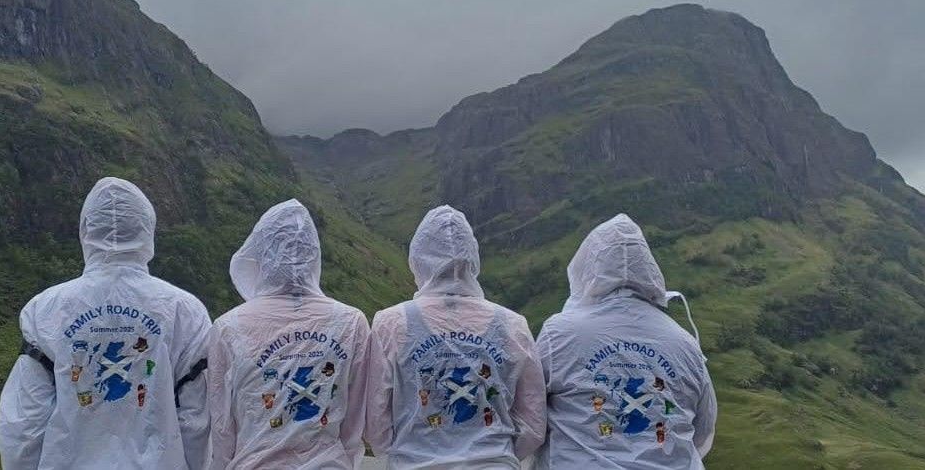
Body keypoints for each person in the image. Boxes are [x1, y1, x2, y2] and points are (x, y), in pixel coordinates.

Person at [0, 177, 211, 469]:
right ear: (147, 228)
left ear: (85, 230)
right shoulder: (184, 310)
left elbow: (24, 422)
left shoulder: (45, 310)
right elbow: (197, 420)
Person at [366, 205, 546, 469]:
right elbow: (534, 421)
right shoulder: (513, 324)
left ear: (417, 258)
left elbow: (375, 420)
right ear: (472, 258)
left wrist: (402, 454)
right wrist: (498, 455)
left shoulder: (391, 322)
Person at [534, 214, 716, 469]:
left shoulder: (559, 333)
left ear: (587, 267)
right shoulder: (684, 342)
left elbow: (530, 416)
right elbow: (703, 430)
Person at [208, 199, 371, 469]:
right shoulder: (351, 322)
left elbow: (221, 425)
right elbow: (355, 421)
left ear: (261, 253)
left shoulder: (228, 326)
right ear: (314, 253)